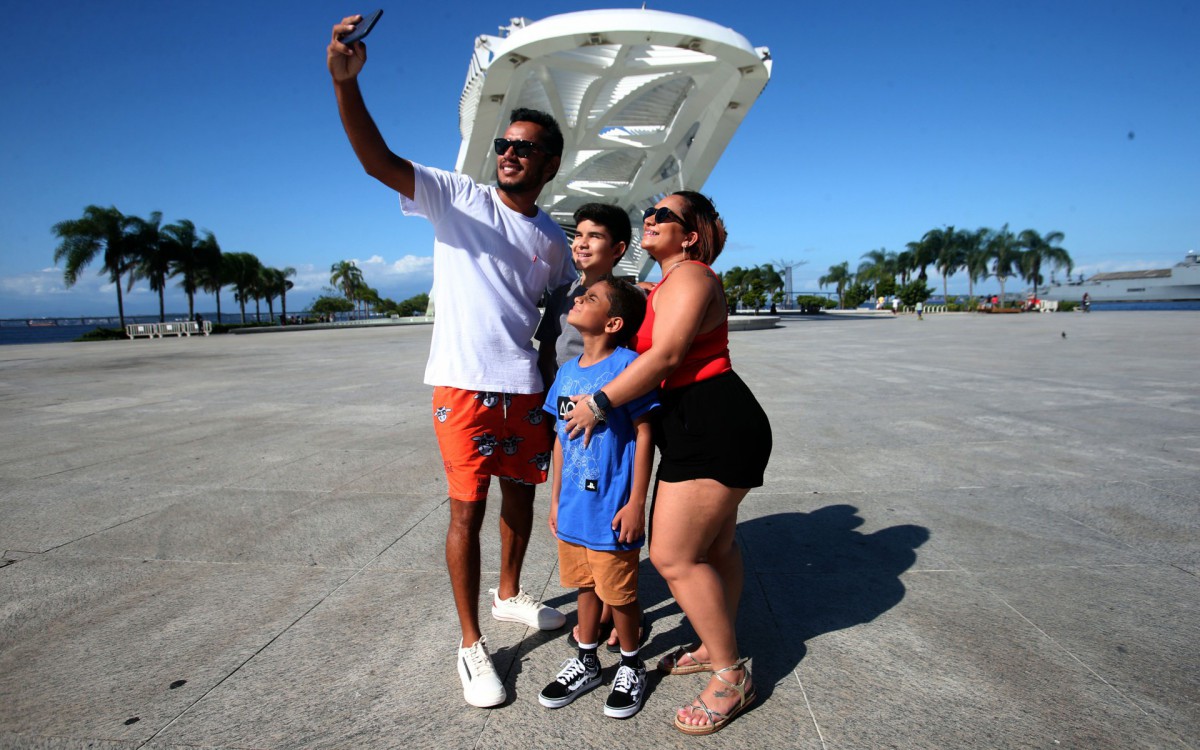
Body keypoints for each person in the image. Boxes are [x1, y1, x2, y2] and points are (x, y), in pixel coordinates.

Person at [328, 14, 576, 708]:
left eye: (525, 147)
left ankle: (507, 595)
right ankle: (471, 646)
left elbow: (554, 321)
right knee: (465, 511)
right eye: (504, 143)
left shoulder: (553, 240)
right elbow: (377, 160)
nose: (508, 153)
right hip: (463, 387)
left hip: (524, 387)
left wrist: (561, 389)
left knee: (520, 500)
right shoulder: (456, 198)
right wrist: (346, 86)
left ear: (550, 163)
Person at [564, 192, 771, 735]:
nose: (650, 219)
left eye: (663, 216)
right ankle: (712, 643)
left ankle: (731, 675)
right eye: (648, 215)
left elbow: (668, 355)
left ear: (691, 235)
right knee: (717, 547)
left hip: (714, 422)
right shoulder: (661, 286)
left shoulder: (692, 277)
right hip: (696, 422)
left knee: (674, 556)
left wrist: (600, 401)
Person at [539, 275, 658, 718]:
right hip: (573, 506)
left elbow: (645, 433)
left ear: (612, 322)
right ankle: (586, 659)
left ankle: (631, 663)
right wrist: (554, 499)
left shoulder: (629, 365)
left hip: (612, 505)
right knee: (584, 586)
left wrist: (636, 501)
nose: (577, 299)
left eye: (589, 298)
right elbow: (558, 438)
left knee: (621, 593)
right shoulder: (567, 373)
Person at [535, 204, 649, 654]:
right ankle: (596, 619)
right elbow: (549, 353)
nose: (580, 243)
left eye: (594, 236)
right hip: (568, 412)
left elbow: (640, 374)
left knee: (610, 552)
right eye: (577, 235)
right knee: (582, 549)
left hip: (610, 417)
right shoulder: (565, 295)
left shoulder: (632, 298)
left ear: (619, 248)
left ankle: (620, 631)